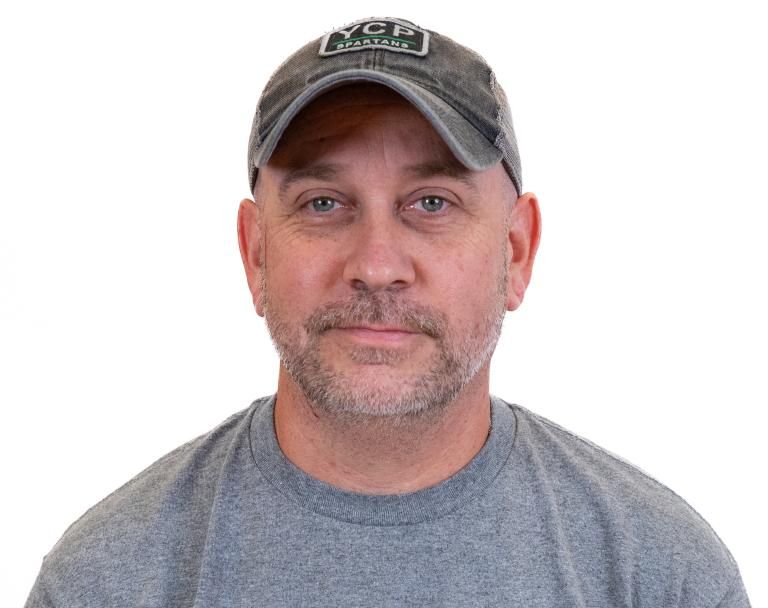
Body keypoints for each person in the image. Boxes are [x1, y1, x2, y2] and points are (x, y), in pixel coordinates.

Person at [24, 17, 750, 607]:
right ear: (255, 253)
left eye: (431, 203)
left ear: (517, 250)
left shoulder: (662, 577)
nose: (376, 264)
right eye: (323, 204)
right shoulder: (106, 582)